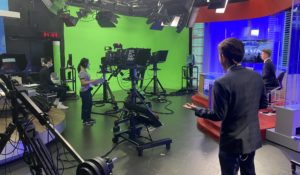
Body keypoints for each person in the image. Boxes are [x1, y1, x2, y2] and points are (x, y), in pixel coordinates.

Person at [184, 38, 268, 175]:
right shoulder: (256, 77)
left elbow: (218, 115)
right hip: (251, 139)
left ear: (222, 57)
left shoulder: (221, 83)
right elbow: (264, 104)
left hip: (232, 142)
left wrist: (197, 109)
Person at [78, 58, 103, 126]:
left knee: (89, 105)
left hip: (87, 91)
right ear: (85, 63)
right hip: (84, 92)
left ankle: (88, 118)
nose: (89, 64)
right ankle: (85, 121)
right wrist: (93, 81)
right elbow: (83, 83)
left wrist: (95, 82)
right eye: (88, 63)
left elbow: (87, 81)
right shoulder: (82, 72)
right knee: (86, 106)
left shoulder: (85, 71)